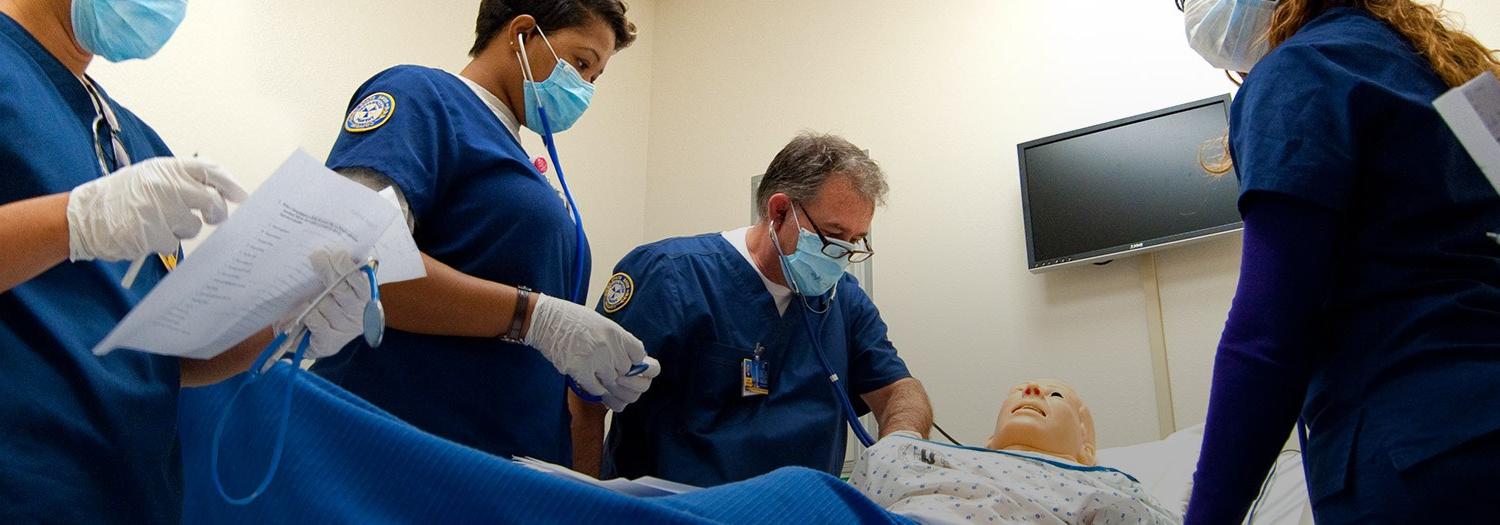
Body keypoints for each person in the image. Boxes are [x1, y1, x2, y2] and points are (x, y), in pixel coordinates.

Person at [0, 0, 369, 521]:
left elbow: (167, 363)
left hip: (135, 498)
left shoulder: (139, 144)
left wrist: (286, 321)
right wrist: (76, 221)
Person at [1177, 0, 1500, 522]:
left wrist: (1209, 514)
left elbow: (1267, 336)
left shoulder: (1301, 71)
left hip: (1421, 456)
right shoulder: (1459, 73)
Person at [310, 0, 659, 467]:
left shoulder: (517, 163)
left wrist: (589, 365)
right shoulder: (422, 95)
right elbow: (355, 261)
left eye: (595, 79)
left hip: (504, 463)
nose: (585, 89)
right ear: (523, 32)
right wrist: (535, 318)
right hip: (397, 450)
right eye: (580, 63)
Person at [577, 132, 933, 486]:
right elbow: (585, 399)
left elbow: (901, 390)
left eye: (854, 241)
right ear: (779, 211)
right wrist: (583, 508)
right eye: (832, 234)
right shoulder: (671, 275)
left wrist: (903, 441)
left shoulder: (845, 301)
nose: (841, 254)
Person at [851, 379, 1180, 524]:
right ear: (990, 440)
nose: (1032, 390)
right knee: (800, 485)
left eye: (1055, 395)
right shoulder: (936, 459)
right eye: (1018, 391)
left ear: (1087, 448)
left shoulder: (1106, 485)